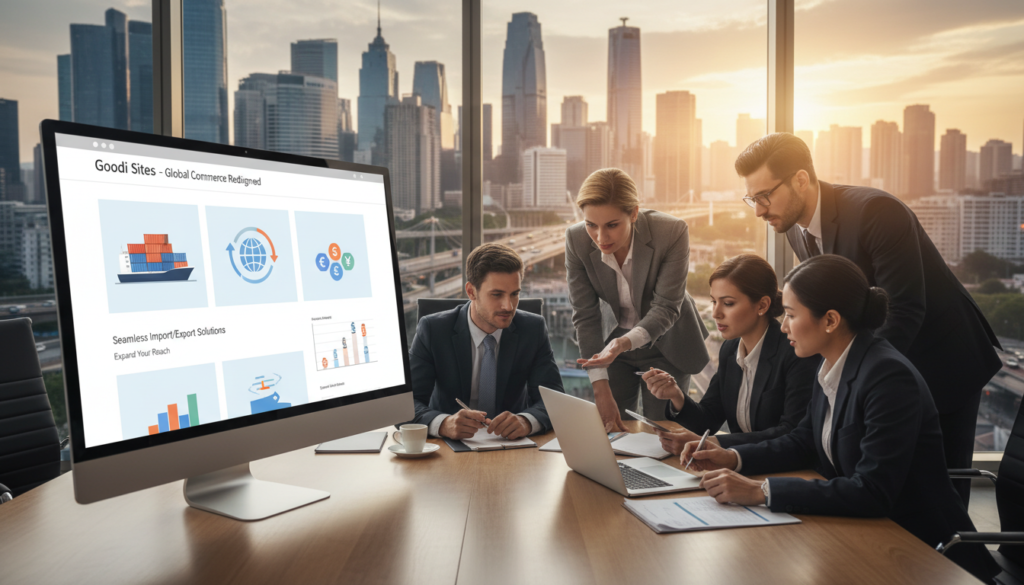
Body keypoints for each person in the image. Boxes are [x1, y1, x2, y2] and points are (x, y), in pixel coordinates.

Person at [680, 255, 998, 582]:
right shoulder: (833, 364)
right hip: (864, 532)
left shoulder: (887, 376)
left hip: (923, 552)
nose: (784, 326)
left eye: (790, 315)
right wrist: (731, 457)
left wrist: (761, 491)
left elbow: (873, 491)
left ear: (830, 320)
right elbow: (802, 441)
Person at [734, 133, 1001, 505]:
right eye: (753, 199)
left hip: (943, 360)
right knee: (872, 480)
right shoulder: (795, 228)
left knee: (937, 495)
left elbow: (905, 308)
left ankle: (955, 560)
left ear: (799, 179)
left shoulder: (877, 211)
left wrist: (860, 381)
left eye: (765, 196)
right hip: (882, 368)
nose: (759, 210)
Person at [565, 168, 709, 432]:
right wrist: (599, 388)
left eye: (611, 225)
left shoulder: (672, 232)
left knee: (664, 432)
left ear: (633, 213)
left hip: (667, 342)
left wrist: (624, 342)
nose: (600, 238)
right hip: (612, 347)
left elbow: (666, 307)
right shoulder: (575, 239)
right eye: (591, 225)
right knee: (613, 430)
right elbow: (585, 315)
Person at [642, 254, 816, 453]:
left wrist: (717, 445)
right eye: (714, 301)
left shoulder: (794, 353)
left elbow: (790, 433)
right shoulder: (730, 349)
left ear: (762, 305)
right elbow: (707, 420)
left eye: (728, 303)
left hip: (782, 470)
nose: (716, 313)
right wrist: (676, 395)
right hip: (740, 466)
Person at [407, 243, 564, 440]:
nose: (508, 306)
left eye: (515, 294)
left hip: (513, 447)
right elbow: (405, 404)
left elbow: (554, 400)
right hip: (449, 447)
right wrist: (443, 424)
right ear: (471, 292)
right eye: (497, 295)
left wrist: (526, 421)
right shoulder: (433, 330)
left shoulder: (533, 329)